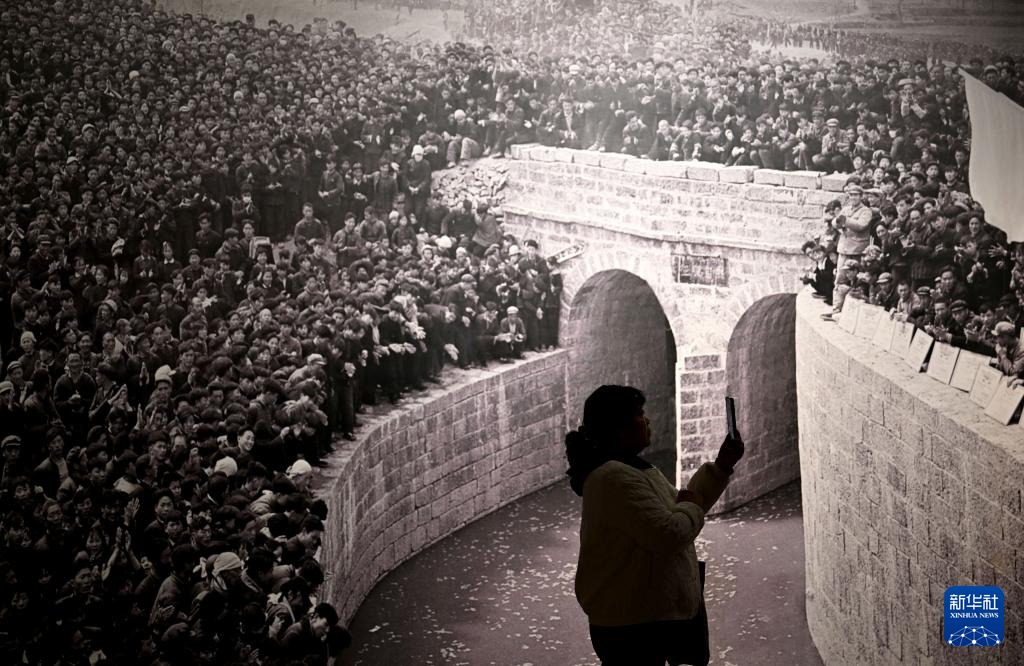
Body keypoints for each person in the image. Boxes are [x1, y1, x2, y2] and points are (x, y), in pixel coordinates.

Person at [566, 385, 744, 666]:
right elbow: (668, 533)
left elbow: (682, 506)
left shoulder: (631, 469)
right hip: (633, 628)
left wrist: (721, 466)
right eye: (639, 414)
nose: (646, 420)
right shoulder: (613, 478)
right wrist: (689, 506)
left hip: (643, 617)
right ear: (619, 429)